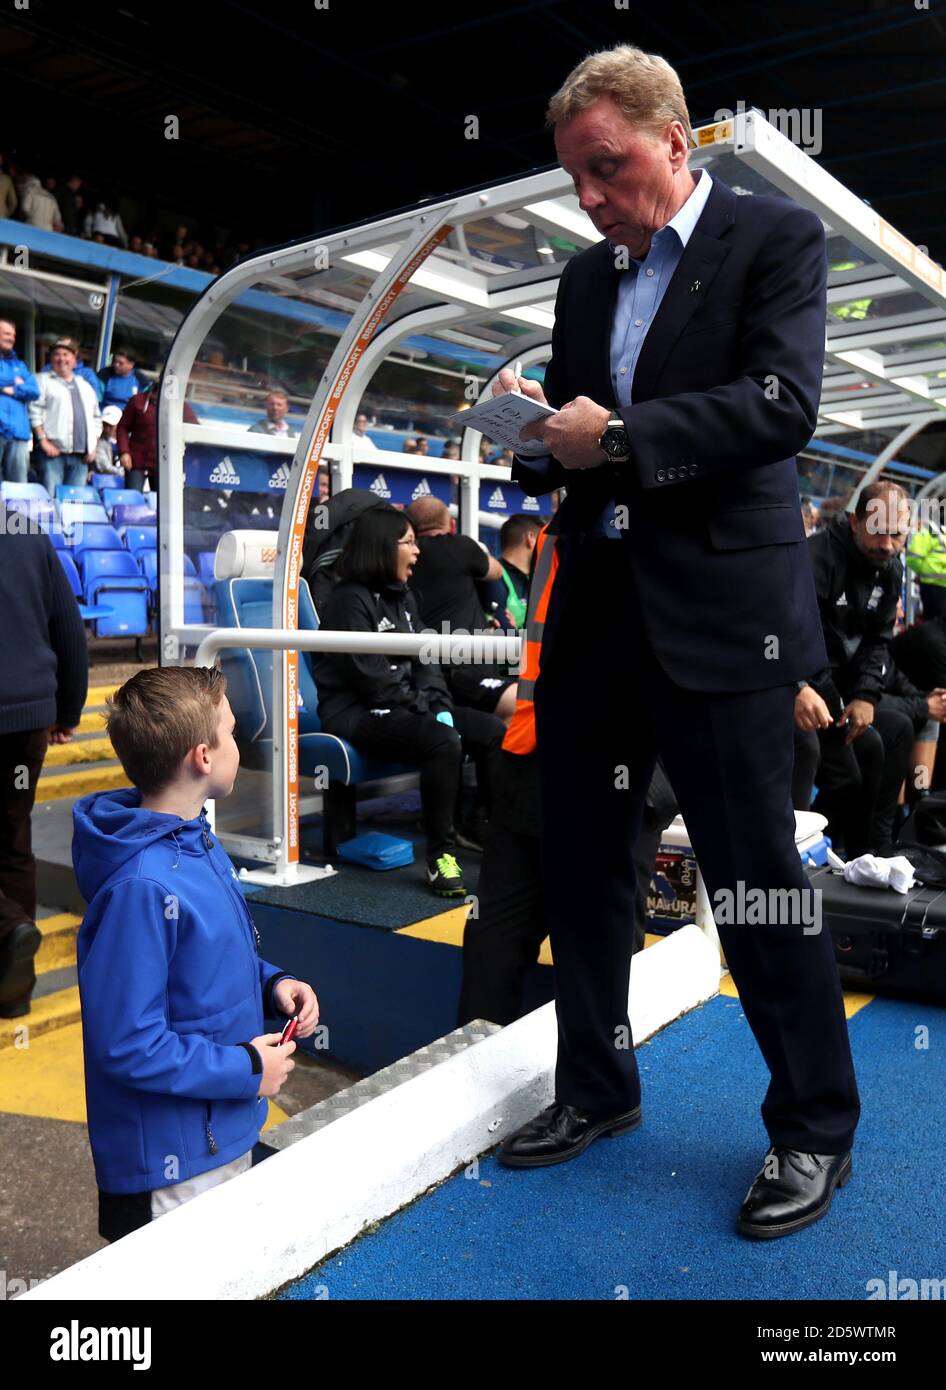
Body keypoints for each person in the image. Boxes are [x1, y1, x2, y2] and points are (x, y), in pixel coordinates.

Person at [493, 43, 859, 1240]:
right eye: (575, 179)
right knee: (582, 865)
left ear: (675, 139)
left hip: (723, 625)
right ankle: (596, 1089)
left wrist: (622, 435)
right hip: (599, 616)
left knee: (753, 879)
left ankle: (812, 1126)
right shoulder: (586, 276)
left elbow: (780, 406)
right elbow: (572, 421)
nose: (589, 199)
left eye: (604, 170)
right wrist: (529, 431)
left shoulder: (774, 240)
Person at [72, 666, 320, 1244]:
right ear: (202, 757)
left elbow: (201, 965)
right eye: (231, 733)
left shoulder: (192, 841)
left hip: (220, 1133)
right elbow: (127, 1044)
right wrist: (249, 1069)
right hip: (175, 1165)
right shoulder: (143, 887)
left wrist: (271, 983)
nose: (239, 744)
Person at [313, 507, 504, 895]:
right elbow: (372, 682)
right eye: (409, 542)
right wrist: (430, 713)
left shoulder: (404, 598)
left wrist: (440, 706)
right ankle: (440, 856)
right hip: (359, 713)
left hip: (407, 706)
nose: (417, 552)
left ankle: (489, 829)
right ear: (383, 547)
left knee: (493, 731)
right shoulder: (347, 601)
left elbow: (427, 661)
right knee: (441, 739)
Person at [0, 501, 87, 1016]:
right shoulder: (27, 532)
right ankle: (14, 995)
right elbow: (68, 629)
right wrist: (67, 710)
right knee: (12, 842)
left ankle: (10, 927)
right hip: (29, 718)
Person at [798, 483, 912, 858]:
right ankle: (800, 853)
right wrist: (806, 689)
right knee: (843, 771)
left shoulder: (890, 568)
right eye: (878, 531)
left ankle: (868, 853)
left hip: (840, 691)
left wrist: (865, 696)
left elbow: (878, 640)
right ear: (853, 521)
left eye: (896, 533)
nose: (887, 544)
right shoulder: (819, 559)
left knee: (886, 738)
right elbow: (795, 636)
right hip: (798, 687)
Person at [406, 495, 518, 724]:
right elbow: (495, 571)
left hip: (429, 672)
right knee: (521, 704)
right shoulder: (461, 545)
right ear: (451, 526)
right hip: (461, 669)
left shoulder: (405, 558)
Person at [29, 339, 100, 495]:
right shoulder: (41, 380)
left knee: (73, 505)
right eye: (56, 354)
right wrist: (43, 441)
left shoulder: (86, 386)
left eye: (66, 354)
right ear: (51, 358)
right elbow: (34, 411)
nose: (61, 358)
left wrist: (93, 447)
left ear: (75, 359)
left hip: (81, 457)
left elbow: (96, 419)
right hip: (52, 454)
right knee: (49, 500)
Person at [117, 383, 199, 493]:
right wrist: (124, 452)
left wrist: (187, 460)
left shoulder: (180, 406)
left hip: (163, 465)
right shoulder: (138, 401)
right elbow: (122, 427)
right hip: (136, 462)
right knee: (132, 496)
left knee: (161, 502)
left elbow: (195, 430)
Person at [478, 513, 542, 629]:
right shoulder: (494, 579)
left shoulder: (537, 582)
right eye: (544, 541)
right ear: (531, 539)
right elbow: (502, 632)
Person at [0, 319, 40, 484]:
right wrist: (14, 381)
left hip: (18, 433)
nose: (12, 338)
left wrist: (13, 389)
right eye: (7, 334)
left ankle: (10, 512)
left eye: (13, 335)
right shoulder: (18, 371)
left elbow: (34, 390)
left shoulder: (20, 364)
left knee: (17, 491)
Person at [101, 348, 143, 413]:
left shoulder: (140, 379)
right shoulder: (105, 375)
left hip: (128, 416)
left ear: (131, 364)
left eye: (121, 363)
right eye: (115, 362)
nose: (116, 365)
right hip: (107, 414)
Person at [93, 405, 125, 474]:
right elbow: (105, 467)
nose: (107, 429)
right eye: (105, 425)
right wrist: (125, 473)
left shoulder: (128, 442)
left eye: (111, 425)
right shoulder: (99, 443)